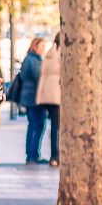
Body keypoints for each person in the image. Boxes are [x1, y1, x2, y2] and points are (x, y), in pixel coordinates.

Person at [20, 37, 47, 164]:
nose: (43, 50)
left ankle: (31, 153)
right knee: (39, 125)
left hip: (28, 96)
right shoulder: (34, 60)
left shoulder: (28, 58)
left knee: (33, 125)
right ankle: (33, 154)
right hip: (34, 98)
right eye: (42, 47)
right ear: (35, 47)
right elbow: (39, 77)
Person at [37, 32, 61, 166]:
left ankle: (54, 155)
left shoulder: (49, 54)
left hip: (47, 94)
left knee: (54, 126)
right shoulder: (62, 54)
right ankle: (57, 155)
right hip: (58, 93)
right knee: (59, 127)